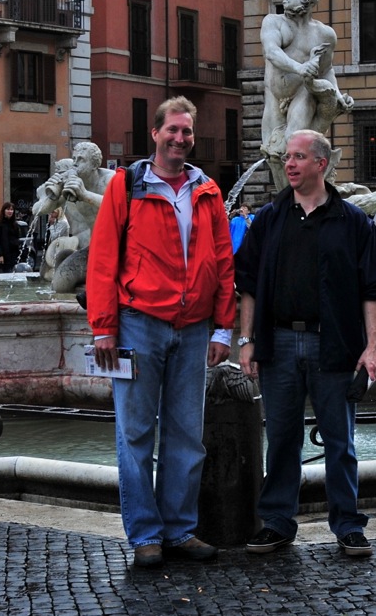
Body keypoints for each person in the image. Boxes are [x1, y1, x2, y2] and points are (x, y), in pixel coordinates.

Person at [85, 96, 236, 569]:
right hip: (137, 324)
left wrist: (223, 328)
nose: (180, 138)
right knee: (135, 434)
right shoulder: (126, 185)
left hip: (193, 329)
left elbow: (223, 261)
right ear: (155, 134)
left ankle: (180, 530)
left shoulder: (207, 189)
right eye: (172, 130)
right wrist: (104, 328)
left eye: (187, 132)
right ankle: (146, 534)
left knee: (187, 435)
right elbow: (103, 259)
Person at [235, 129, 376, 559]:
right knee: (282, 439)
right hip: (280, 342)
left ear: (321, 164)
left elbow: (373, 289)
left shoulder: (352, 221)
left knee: (340, 442)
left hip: (335, 345)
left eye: (298, 157)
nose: (289, 164)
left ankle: (347, 525)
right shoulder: (268, 218)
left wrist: (372, 347)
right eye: (287, 156)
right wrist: (246, 340)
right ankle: (278, 523)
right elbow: (246, 283)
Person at [260, 0, 354, 190]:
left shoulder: (325, 34)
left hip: (305, 91)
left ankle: (306, 197)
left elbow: (327, 69)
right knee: (275, 155)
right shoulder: (274, 22)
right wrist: (300, 67)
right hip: (276, 96)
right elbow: (271, 52)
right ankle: (292, 205)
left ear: (310, 0)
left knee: (294, 146)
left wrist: (339, 96)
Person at [0, 202, 20, 273]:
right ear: (4, 211)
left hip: (13, 253)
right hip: (4, 254)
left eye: (12, 210)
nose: (10, 211)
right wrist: (0, 255)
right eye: (8, 209)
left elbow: (17, 237)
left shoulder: (15, 224)